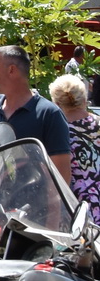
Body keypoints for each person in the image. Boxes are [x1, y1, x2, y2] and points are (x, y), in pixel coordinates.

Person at [0, 46, 72, 187]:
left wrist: (53, 208)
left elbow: (62, 177)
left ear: (12, 70)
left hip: (38, 208)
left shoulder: (49, 114)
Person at [49, 73, 100, 225]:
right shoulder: (98, 122)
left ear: (56, 103)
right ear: (84, 98)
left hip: (79, 201)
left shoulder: (60, 130)